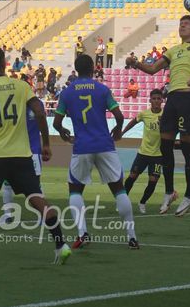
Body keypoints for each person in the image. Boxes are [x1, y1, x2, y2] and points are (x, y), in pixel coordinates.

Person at [0, 47, 71, 264]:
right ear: (4, 63)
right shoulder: (21, 86)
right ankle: (61, 244)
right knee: (37, 198)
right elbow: (40, 112)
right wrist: (46, 143)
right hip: (22, 154)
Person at [125, 15, 190, 216]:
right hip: (171, 100)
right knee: (165, 147)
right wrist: (136, 63)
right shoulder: (173, 50)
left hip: (189, 98)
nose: (182, 27)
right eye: (181, 24)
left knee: (188, 148)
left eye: (187, 24)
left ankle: (189, 195)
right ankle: (170, 192)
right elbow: (153, 69)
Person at [53, 54, 138, 249]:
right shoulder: (102, 89)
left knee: (75, 190)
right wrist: (117, 129)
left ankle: (82, 233)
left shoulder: (67, 93)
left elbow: (57, 122)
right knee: (119, 189)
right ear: (92, 68)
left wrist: (63, 133)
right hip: (105, 145)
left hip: (82, 146)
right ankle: (131, 236)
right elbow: (119, 115)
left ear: (76, 68)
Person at [121, 89, 164, 214]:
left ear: (162, 100)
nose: (156, 101)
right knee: (132, 177)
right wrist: (122, 132)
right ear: (150, 100)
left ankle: (142, 202)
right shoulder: (144, 114)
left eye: (158, 98)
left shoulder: (166, 115)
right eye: (154, 98)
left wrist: (164, 124)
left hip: (158, 155)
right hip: (143, 153)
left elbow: (173, 130)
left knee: (153, 180)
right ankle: (123, 202)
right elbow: (133, 122)